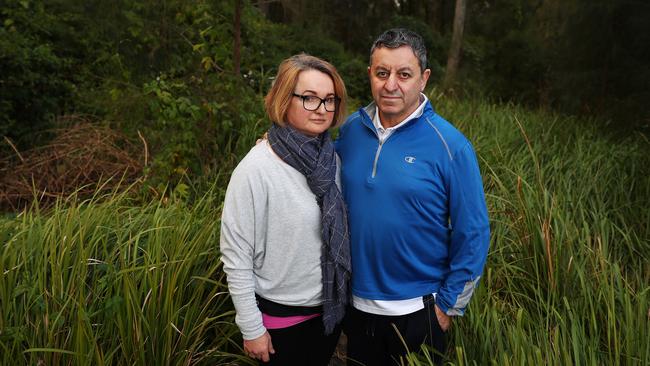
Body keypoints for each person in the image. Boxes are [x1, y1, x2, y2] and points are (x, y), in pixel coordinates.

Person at [335, 28, 490, 365]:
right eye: (382, 73)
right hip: (358, 307)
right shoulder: (349, 131)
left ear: (424, 79)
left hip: (419, 312)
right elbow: (317, 170)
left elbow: (474, 232)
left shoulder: (451, 145)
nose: (391, 84)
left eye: (404, 74)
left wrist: (447, 306)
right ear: (370, 76)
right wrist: (275, 146)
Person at [220, 54, 351, 365]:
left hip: (329, 312)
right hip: (281, 321)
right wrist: (251, 328)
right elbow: (235, 254)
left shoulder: (331, 160)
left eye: (329, 100)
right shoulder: (257, 167)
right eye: (309, 98)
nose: (321, 109)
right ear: (284, 98)